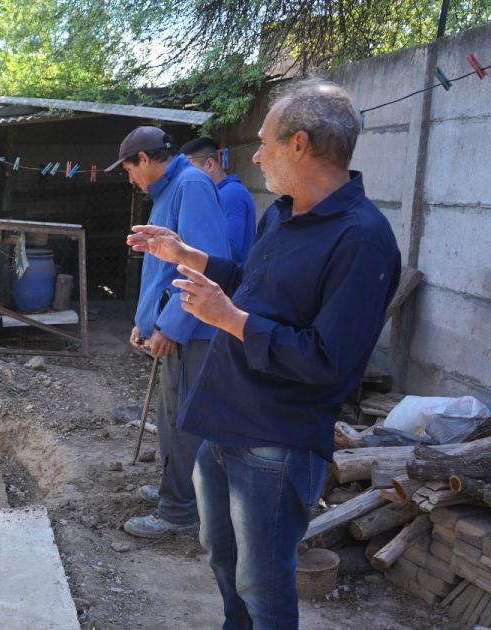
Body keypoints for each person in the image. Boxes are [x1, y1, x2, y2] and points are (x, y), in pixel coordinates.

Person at [127, 79, 401, 627]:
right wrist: (192, 257)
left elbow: (328, 361)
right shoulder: (283, 214)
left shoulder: (362, 238)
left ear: (299, 144)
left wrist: (228, 318)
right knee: (223, 561)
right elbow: (251, 285)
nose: (255, 156)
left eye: (264, 142)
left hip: (275, 442)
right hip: (225, 422)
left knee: (264, 583)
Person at [104, 126, 231, 538]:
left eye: (129, 170)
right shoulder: (170, 191)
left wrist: (173, 327)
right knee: (170, 417)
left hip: (193, 333)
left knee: (184, 423)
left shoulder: (190, 185)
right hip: (177, 328)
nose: (130, 180)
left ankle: (179, 511)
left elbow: (203, 266)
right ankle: (172, 489)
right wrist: (147, 321)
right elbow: (162, 270)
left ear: (144, 159)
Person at [181, 137, 257, 265]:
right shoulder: (218, 193)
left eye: (190, 169)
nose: (185, 176)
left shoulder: (231, 194)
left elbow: (229, 249)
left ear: (209, 165)